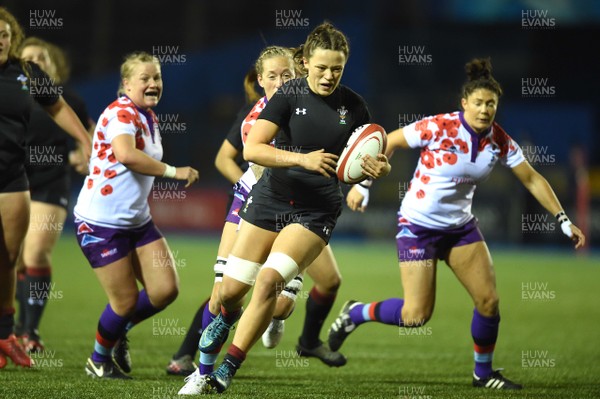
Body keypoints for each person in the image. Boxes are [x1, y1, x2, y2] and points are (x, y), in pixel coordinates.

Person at [327, 58, 586, 390]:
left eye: (490, 104)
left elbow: (532, 179)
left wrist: (563, 219)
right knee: (416, 316)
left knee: (489, 302)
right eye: (478, 103)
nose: (484, 109)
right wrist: (363, 185)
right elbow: (388, 141)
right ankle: (356, 313)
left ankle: (483, 374)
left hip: (461, 228)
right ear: (464, 103)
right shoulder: (439, 126)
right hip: (418, 225)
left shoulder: (499, 140)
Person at [192, 22, 390, 394]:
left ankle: (226, 370)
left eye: (337, 69)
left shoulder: (355, 106)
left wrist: (377, 168)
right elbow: (252, 149)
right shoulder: (287, 95)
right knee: (229, 293)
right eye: (321, 68)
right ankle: (226, 319)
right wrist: (303, 160)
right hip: (271, 199)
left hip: (315, 212)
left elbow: (368, 156)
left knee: (270, 283)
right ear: (305, 62)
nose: (329, 76)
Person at [73, 51, 199, 379]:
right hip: (100, 223)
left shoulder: (148, 116)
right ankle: (98, 361)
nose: (153, 83)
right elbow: (127, 155)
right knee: (125, 300)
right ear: (126, 83)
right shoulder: (121, 113)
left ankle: (115, 333)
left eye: (157, 77)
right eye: (145, 78)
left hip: (137, 221)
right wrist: (174, 171)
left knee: (164, 290)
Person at [0, 7, 91, 369]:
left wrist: (85, 140)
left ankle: (9, 334)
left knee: (11, 257)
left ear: (12, 38)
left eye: (5, 35)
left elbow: (57, 108)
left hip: (13, 178)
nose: (0, 41)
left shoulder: (25, 74)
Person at [166, 69, 258, 376]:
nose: (283, 80)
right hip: (257, 209)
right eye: (275, 74)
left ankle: (308, 336)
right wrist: (253, 190)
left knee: (317, 285)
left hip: (295, 211)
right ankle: (194, 361)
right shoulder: (255, 111)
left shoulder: (308, 110)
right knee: (225, 292)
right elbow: (223, 159)